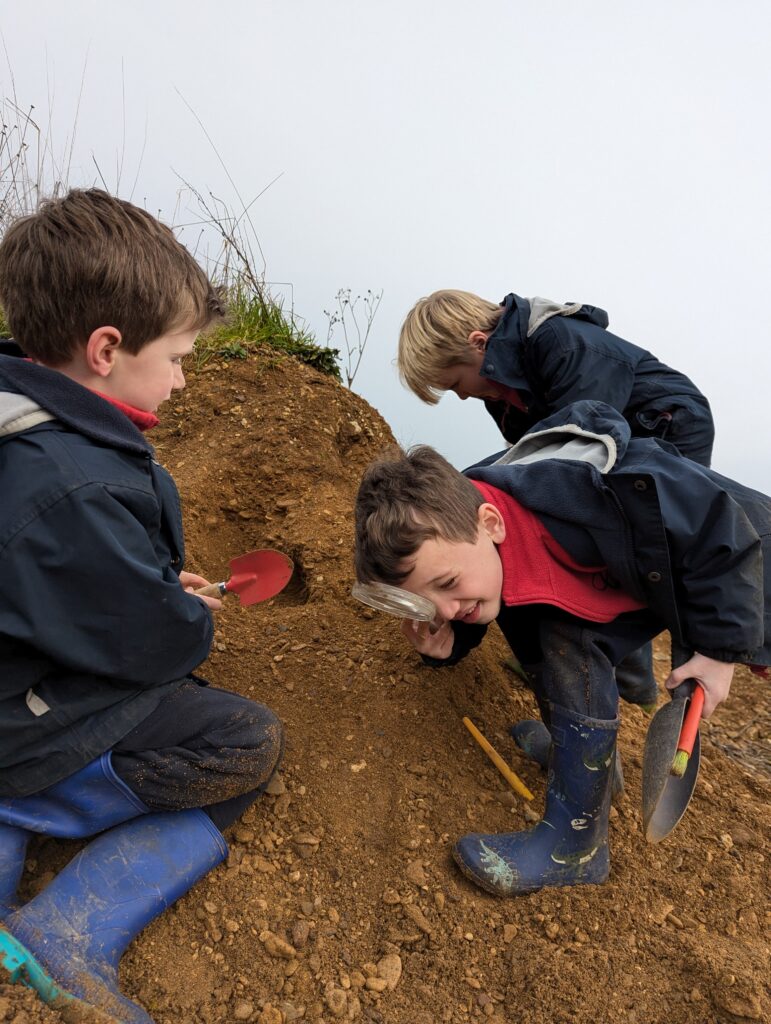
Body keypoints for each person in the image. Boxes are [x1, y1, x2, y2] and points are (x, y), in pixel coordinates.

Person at [0, 189, 284, 1024]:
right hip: (18, 718)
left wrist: (149, 583)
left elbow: (66, 588)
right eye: (178, 355)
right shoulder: (73, 486)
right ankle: (65, 931)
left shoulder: (29, 429)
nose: (184, 377)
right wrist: (184, 612)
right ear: (105, 348)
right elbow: (154, 648)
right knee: (243, 740)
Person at [353, 400, 770, 897]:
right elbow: (469, 598)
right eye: (425, 605)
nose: (443, 608)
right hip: (650, 582)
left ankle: (577, 849)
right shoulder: (461, 515)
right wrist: (447, 639)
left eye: (446, 584)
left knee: (564, 637)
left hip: (746, 568)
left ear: (491, 524)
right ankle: (587, 765)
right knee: (543, 626)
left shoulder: (618, 489)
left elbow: (718, 528)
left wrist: (721, 649)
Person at [398, 288, 717, 753]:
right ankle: (619, 681)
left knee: (639, 547)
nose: (462, 396)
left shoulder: (563, 345)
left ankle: (649, 688)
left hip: (665, 429)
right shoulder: (500, 392)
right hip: (605, 441)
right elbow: (534, 459)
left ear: (476, 344)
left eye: (454, 383)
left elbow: (583, 447)